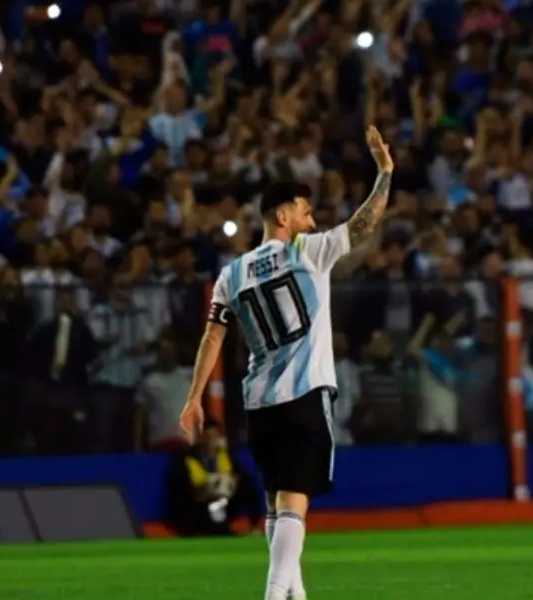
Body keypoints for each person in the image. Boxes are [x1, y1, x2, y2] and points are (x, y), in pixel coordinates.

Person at [178, 126, 393, 600]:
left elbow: (212, 336)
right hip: (304, 393)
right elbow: (365, 223)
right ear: (283, 215)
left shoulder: (230, 275)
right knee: (295, 500)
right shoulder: (307, 252)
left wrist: (194, 397)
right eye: (305, 210)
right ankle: (274, 596)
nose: (312, 219)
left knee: (278, 504)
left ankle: (295, 596)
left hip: (259, 401)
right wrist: (385, 173)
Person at [164, 422, 260, 537]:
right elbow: (180, 487)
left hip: (224, 501)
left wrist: (234, 481)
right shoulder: (185, 457)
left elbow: (242, 478)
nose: (211, 441)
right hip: (198, 503)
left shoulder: (225, 454)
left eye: (214, 436)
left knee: (247, 487)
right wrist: (203, 490)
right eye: (207, 436)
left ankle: (251, 525)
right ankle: (196, 531)